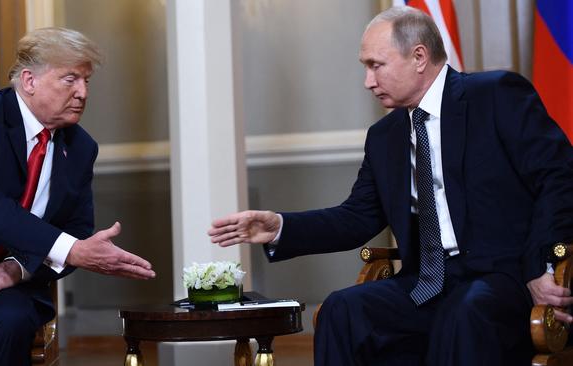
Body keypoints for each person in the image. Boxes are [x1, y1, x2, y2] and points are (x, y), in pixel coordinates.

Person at [209, 6, 573, 366]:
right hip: (426, 284)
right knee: (342, 309)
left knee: (463, 312)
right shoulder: (385, 136)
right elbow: (356, 218)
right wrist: (280, 227)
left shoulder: (494, 95)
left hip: (502, 279)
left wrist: (540, 265)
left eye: (375, 65)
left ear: (419, 57)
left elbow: (559, 176)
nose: (368, 81)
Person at [0, 27, 156, 365]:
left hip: (1, 291)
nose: (82, 92)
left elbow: (76, 228)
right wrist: (73, 250)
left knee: (10, 318)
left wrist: (14, 270)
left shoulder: (80, 148)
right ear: (30, 81)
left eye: (87, 81)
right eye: (71, 79)